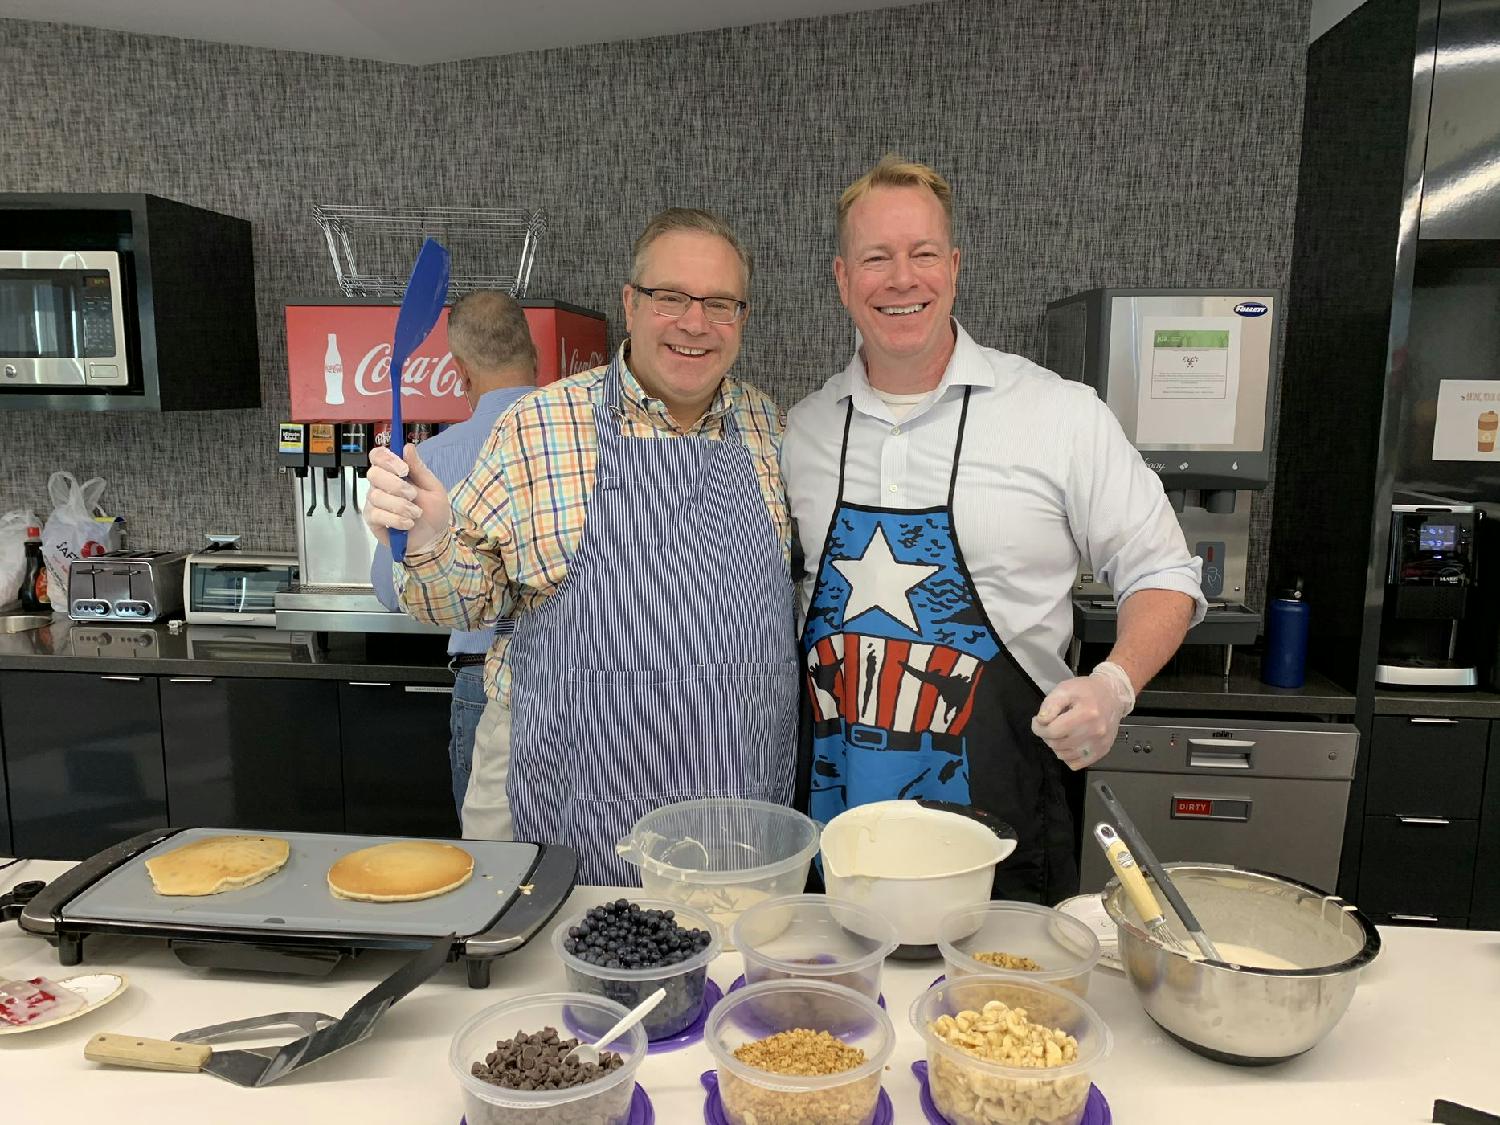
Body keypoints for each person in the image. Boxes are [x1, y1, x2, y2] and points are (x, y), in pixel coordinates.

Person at [784, 156, 1206, 903]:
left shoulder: (1058, 414)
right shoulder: (802, 432)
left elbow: (1164, 571)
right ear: (843, 279)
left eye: (921, 254)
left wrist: (1113, 685)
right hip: (833, 824)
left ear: (954, 267)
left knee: (994, 1021)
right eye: (876, 258)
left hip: (999, 818)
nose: (901, 278)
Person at [363, 208, 798, 885]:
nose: (694, 322)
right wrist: (425, 536)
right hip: (567, 791)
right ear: (630, 302)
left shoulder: (771, 429)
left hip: (731, 802)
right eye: (670, 297)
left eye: (719, 303)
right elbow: (462, 601)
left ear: (741, 316)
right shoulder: (537, 427)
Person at [369, 289, 537, 817]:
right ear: (535, 358)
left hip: (477, 676)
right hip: (579, 683)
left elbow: (388, 590)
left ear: (459, 373)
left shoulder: (430, 459)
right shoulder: (588, 443)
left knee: (495, 869)